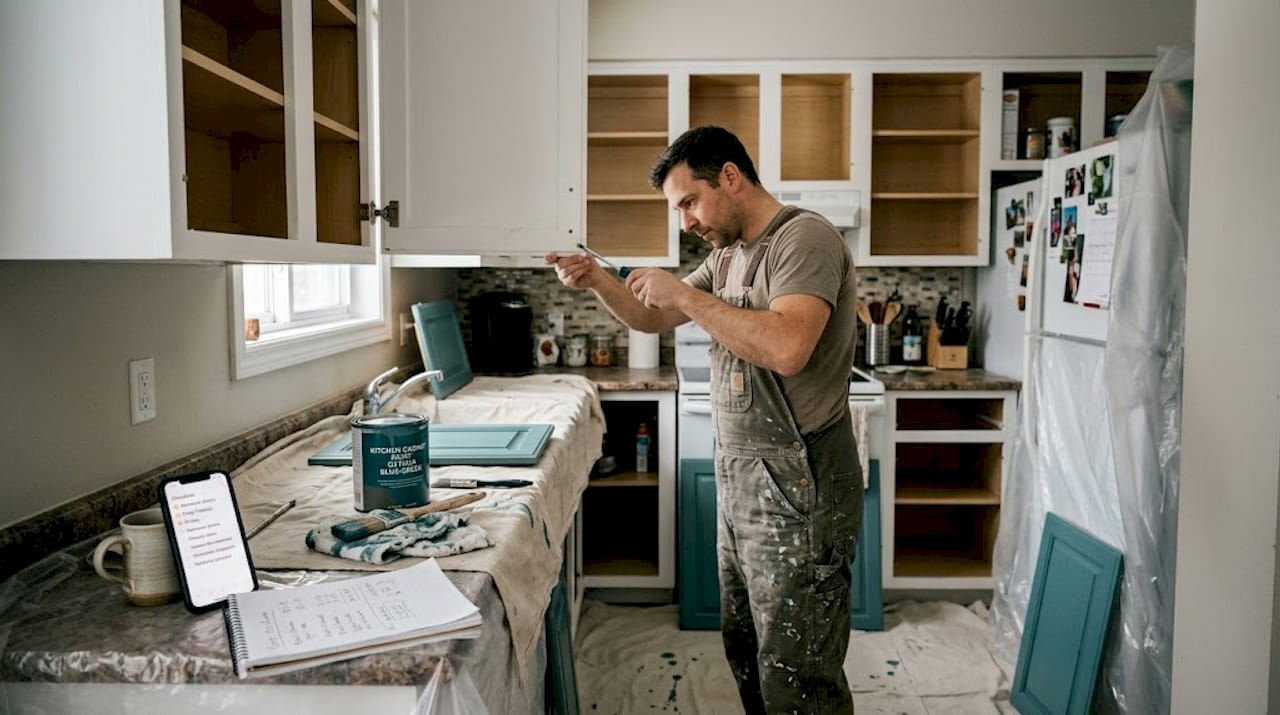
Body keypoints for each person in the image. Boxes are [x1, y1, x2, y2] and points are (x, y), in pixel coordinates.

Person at [546, 125, 861, 714]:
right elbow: (647, 316)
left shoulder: (805, 239)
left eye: (689, 202)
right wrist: (595, 279)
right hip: (746, 485)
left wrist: (686, 296)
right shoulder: (727, 257)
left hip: (803, 487)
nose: (686, 221)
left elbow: (788, 347)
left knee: (800, 672)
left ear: (731, 177)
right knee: (748, 650)